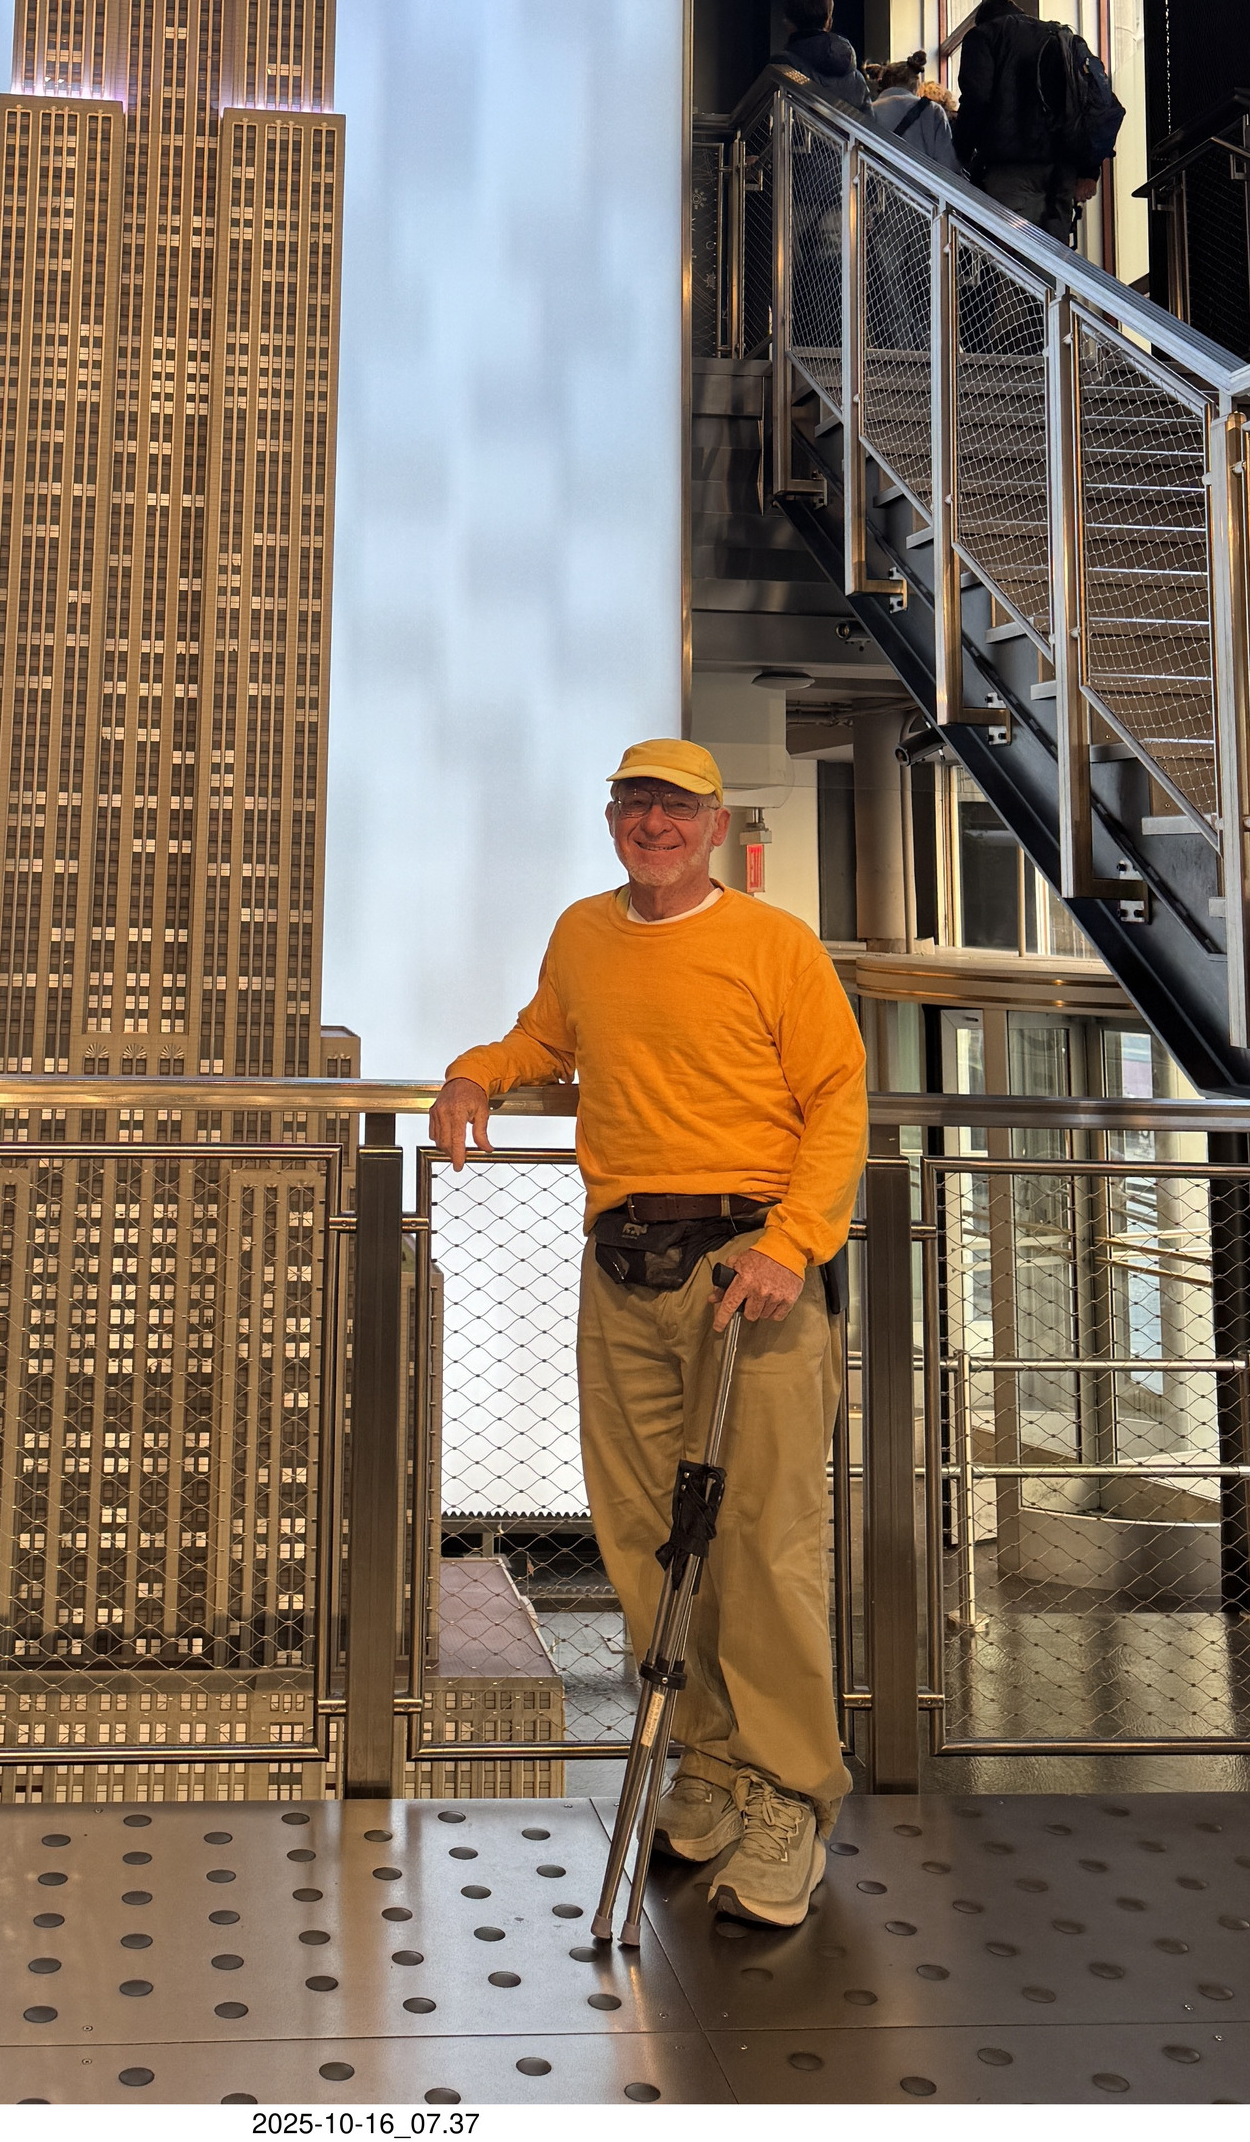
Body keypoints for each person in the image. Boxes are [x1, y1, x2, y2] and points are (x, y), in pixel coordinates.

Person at [431, 739, 865, 1929]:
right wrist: (472, 1075)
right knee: (642, 1536)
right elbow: (544, 1041)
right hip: (620, 1265)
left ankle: (788, 1793)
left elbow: (837, 1097)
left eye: (675, 807)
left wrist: (792, 1241)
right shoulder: (584, 932)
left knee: (763, 1539)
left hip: (748, 1265)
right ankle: (711, 1759)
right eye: (635, 804)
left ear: (714, 824)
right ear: (612, 817)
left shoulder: (773, 943)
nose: (654, 823)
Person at [952, 0, 1114, 238]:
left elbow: (977, 98)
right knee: (1052, 255)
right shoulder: (1061, 37)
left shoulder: (984, 35)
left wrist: (960, 152)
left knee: (1011, 253)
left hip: (1011, 170)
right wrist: (1089, 170)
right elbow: (1091, 106)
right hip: (1062, 171)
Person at [866, 50, 963, 177]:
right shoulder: (932, 110)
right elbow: (947, 164)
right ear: (915, 84)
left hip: (881, 187)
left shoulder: (869, 111)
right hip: (924, 187)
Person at [779, 0, 865, 108]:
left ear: (789, 23)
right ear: (829, 22)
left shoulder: (781, 66)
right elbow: (868, 117)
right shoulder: (856, 78)